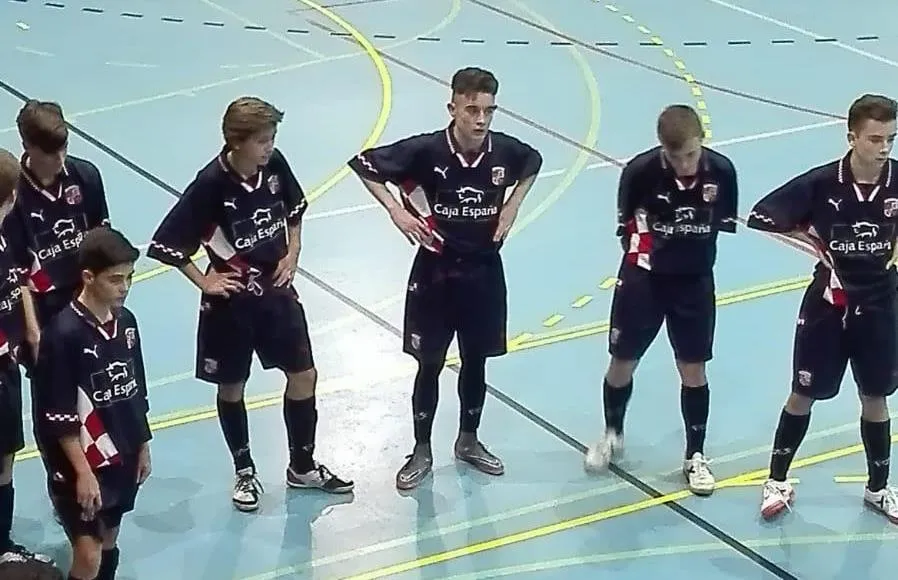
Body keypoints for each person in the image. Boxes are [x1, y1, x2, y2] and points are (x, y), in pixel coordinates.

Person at [146, 96, 352, 512]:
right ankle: (244, 470)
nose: (269, 148)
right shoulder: (209, 185)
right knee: (232, 386)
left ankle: (302, 466)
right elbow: (166, 243)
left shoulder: (273, 168)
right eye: (262, 141)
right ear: (235, 142)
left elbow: (295, 211)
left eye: (272, 139)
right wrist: (205, 279)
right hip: (232, 304)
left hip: (276, 294)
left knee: (304, 375)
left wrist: (293, 254)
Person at [347, 67, 543, 491]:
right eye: (472, 109)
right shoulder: (426, 151)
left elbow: (534, 162)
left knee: (476, 361)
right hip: (434, 273)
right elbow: (363, 165)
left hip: (484, 273)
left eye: (489, 110)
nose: (481, 119)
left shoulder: (506, 152)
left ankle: (468, 441)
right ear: (452, 107)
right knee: (430, 363)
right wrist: (395, 210)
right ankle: (421, 449)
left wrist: (512, 206)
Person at [747, 94, 898, 523]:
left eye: (891, 138)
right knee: (803, 392)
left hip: (882, 305)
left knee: (876, 396)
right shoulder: (820, 183)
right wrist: (813, 242)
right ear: (852, 137)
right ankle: (776, 480)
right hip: (828, 306)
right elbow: (762, 215)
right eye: (875, 139)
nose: (885, 148)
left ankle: (878, 489)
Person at [583, 105, 739, 497]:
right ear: (662, 150)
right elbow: (625, 229)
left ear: (702, 140)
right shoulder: (639, 173)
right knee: (622, 362)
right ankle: (612, 433)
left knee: (693, 369)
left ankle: (695, 455)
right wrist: (655, 254)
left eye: (690, 153)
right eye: (675, 156)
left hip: (694, 283)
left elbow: (721, 225)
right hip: (644, 281)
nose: (685, 164)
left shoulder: (722, 172)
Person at [32, 227, 151, 580]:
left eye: (130, 277)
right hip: (80, 461)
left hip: (123, 451)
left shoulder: (127, 323)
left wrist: (142, 444)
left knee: (109, 538)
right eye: (115, 279)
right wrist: (82, 473)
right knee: (88, 553)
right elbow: (58, 415)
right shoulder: (63, 336)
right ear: (88, 276)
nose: (125, 287)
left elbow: (136, 389)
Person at [9, 100, 111, 357]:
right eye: (50, 153)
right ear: (28, 147)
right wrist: (32, 331)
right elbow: (17, 272)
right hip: (44, 307)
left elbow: (103, 243)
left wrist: (103, 302)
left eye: (63, 148)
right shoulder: (14, 197)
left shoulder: (86, 175)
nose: (60, 159)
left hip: (86, 296)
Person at [0, 149, 51, 565]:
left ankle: (2, 541)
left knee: (5, 457)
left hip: (7, 366)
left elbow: (19, 282)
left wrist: (29, 329)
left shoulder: (3, 238)